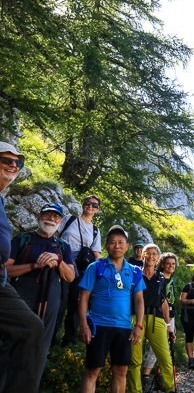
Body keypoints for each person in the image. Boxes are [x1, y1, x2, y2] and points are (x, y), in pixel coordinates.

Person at [6, 202, 74, 378]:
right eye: (47, 214)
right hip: (20, 295)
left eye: (56, 216)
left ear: (60, 221)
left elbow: (71, 277)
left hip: (51, 297)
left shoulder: (63, 247)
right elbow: (5, 270)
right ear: (39, 216)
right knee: (12, 341)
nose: (51, 218)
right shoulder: (22, 240)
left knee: (42, 344)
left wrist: (58, 261)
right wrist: (35, 265)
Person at [78, 225, 146, 393]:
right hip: (98, 326)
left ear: (127, 246)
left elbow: (139, 300)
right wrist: (84, 325)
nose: (117, 246)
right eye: (113, 242)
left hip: (123, 328)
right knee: (93, 370)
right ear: (107, 246)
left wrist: (138, 325)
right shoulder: (95, 267)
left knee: (121, 371)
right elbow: (83, 298)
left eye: (120, 242)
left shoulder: (134, 271)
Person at [0, 142, 45, 392]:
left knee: (30, 328)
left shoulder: (1, 201)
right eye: (7, 161)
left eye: (18, 163)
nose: (14, 166)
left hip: (1, 281)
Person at [127, 243, 174, 393]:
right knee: (135, 360)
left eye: (154, 254)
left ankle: (170, 388)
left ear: (158, 258)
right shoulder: (135, 274)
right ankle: (136, 390)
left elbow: (164, 302)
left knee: (165, 357)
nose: (151, 256)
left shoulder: (161, 277)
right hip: (136, 319)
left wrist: (169, 326)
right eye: (148, 253)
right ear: (143, 255)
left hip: (156, 319)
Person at [57, 194, 102, 347]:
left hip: (81, 269)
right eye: (88, 203)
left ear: (97, 210)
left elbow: (96, 254)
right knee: (58, 300)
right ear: (83, 204)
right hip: (61, 262)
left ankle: (68, 341)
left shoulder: (95, 231)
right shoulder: (69, 219)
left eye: (94, 205)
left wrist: (98, 275)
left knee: (75, 304)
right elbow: (55, 236)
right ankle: (49, 336)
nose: (90, 206)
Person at [141, 252, 179, 385]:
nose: (171, 266)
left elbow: (171, 301)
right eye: (168, 263)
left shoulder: (171, 280)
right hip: (158, 314)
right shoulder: (158, 277)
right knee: (154, 347)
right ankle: (145, 376)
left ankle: (159, 377)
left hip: (170, 315)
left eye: (173, 264)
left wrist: (172, 325)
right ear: (162, 263)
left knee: (167, 347)